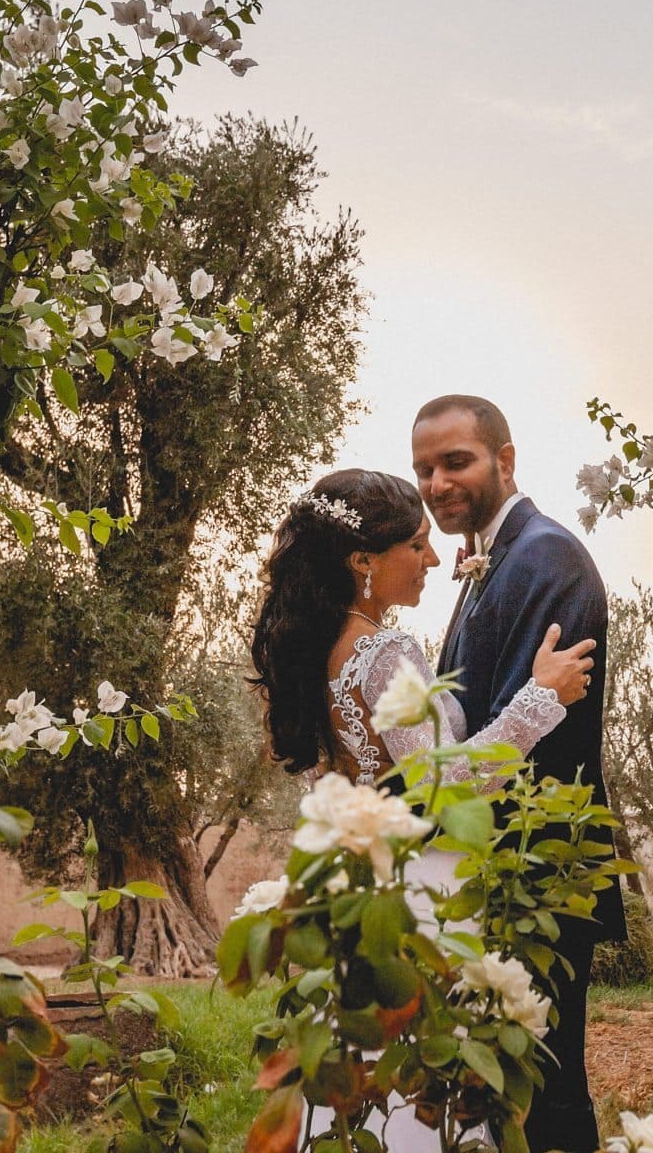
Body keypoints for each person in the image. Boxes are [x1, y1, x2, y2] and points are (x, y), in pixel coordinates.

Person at [248, 467, 596, 1151]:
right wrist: (541, 698)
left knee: (373, 1080)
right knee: (429, 1081)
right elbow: (449, 781)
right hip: (425, 893)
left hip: (365, 896)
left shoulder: (321, 651)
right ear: (363, 562)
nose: (436, 556)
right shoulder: (384, 653)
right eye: (416, 545)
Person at [412, 394, 627, 1153]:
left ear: (505, 459)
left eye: (455, 461)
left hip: (538, 866)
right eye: (423, 469)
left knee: (548, 1089)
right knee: (509, 1088)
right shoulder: (488, 561)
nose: (437, 483)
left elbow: (525, 726)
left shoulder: (545, 556)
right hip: (496, 869)